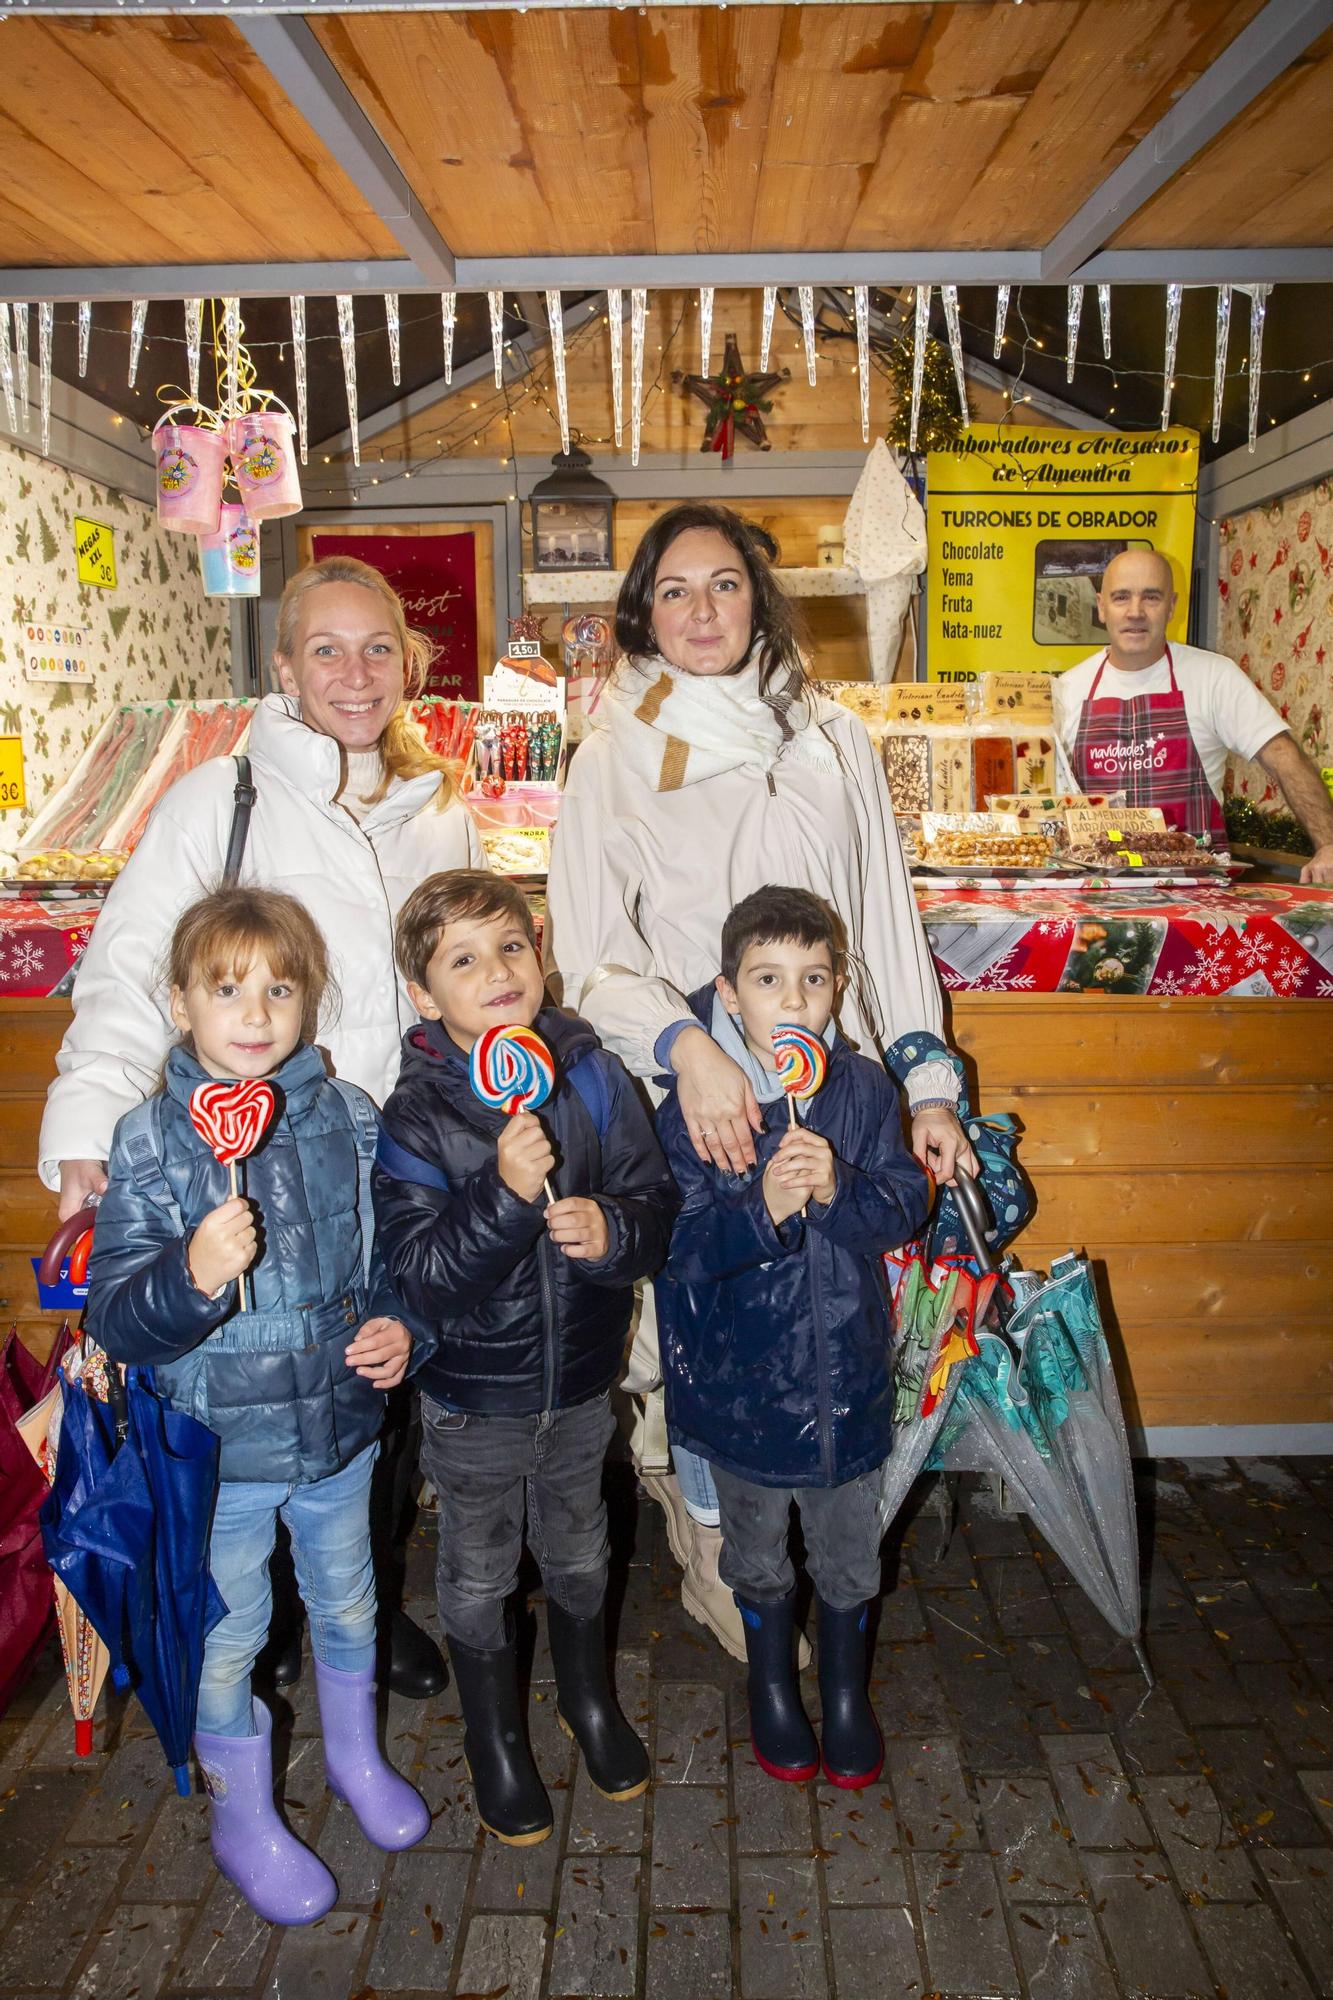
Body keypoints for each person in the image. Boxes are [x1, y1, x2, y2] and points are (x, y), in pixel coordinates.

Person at [40, 553, 484, 1698]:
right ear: (282, 666)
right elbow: (133, 965)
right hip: (249, 1144)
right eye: (324, 648)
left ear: (409, 663)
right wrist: (89, 1117)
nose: (354, 671)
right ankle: (254, 1613)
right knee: (250, 1362)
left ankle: (359, 1604)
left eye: (377, 647)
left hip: (395, 1144)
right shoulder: (221, 797)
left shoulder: (437, 808)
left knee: (371, 1373)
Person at [544, 502, 976, 1660]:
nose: (701, 610)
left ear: (757, 596)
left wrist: (923, 1080)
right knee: (700, 1325)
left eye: (723, 585)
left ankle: (820, 1547)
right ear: (642, 609)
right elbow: (588, 952)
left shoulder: (827, 733)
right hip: (696, 1086)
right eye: (674, 589)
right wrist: (685, 1049)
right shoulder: (617, 748)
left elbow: (884, 913)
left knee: (829, 1321)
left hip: (834, 1089)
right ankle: (724, 1566)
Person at [84, 887, 430, 1927]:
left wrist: (394, 1321)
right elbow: (116, 1311)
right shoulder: (150, 1141)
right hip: (217, 1448)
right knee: (229, 1637)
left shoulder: (347, 1117)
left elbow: (384, 1256)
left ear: (310, 1002)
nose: (255, 1011)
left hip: (335, 1429)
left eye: (279, 988)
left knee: (350, 1600)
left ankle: (358, 1760)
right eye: (226, 987)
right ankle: (241, 1813)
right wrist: (190, 1272)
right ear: (182, 1002)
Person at [371, 871, 678, 1847]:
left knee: (582, 1545)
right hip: (472, 1395)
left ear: (539, 949)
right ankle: (493, 1731)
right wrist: (506, 1193)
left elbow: (653, 1201)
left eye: (510, 945)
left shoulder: (589, 1071)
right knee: (476, 1568)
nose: (496, 971)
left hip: (582, 1380)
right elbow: (419, 1276)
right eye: (462, 959)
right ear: (424, 994)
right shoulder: (416, 1114)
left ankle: (585, 1697)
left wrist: (614, 1228)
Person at [657, 886, 932, 1789]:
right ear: (728, 995)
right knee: (758, 1552)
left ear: (837, 989)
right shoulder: (696, 1108)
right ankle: (772, 1682)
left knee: (851, 1554)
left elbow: (898, 1209)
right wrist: (765, 1208)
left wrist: (836, 1188)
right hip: (741, 1390)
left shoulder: (857, 1089)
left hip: (844, 1377)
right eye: (768, 979)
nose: (793, 997)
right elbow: (679, 1252)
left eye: (812, 979)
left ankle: (847, 1695)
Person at [1055, 547, 1333, 881]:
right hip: (1093, 894)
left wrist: (1328, 845)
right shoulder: (1067, 690)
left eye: (1151, 597)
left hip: (1197, 898)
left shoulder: (1214, 677)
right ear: (1101, 607)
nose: (1135, 612)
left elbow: (1283, 756)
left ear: (1172, 606)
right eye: (1121, 597)